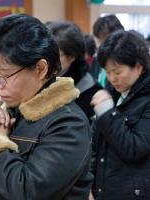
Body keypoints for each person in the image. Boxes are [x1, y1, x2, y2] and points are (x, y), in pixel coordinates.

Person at [0, 14, 93, 200]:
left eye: (5, 75)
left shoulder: (69, 123)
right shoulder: (11, 110)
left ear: (41, 69)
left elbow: (28, 191)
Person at [90, 30, 150, 200]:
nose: (111, 79)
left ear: (139, 67)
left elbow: (134, 148)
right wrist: (88, 184)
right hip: (102, 188)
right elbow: (95, 143)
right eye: (107, 72)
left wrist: (107, 113)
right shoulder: (113, 93)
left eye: (117, 72)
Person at [48, 21, 102, 121]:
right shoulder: (41, 75)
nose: (47, 59)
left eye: (55, 54)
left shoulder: (89, 90)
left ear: (72, 56)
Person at [92, 14, 124, 87]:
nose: (101, 46)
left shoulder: (125, 59)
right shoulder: (98, 58)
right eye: (99, 41)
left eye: (105, 40)